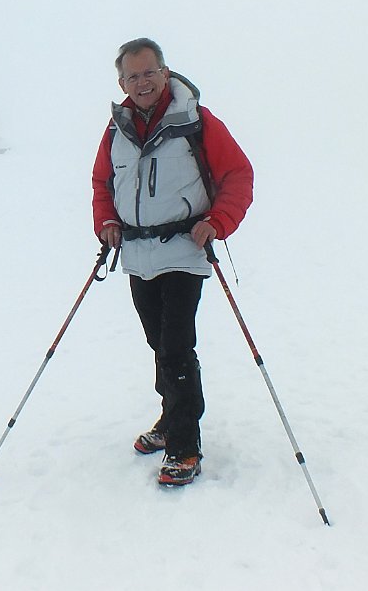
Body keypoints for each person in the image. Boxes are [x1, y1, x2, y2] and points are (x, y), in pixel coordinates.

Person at [92, 37, 254, 486]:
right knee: (158, 344)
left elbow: (238, 174)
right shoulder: (116, 129)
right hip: (139, 254)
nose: (141, 82)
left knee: (176, 346)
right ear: (121, 81)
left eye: (149, 72)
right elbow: (102, 183)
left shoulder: (196, 121)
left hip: (184, 250)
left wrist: (218, 221)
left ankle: (185, 445)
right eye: (132, 76)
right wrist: (106, 222)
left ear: (165, 72)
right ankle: (170, 420)